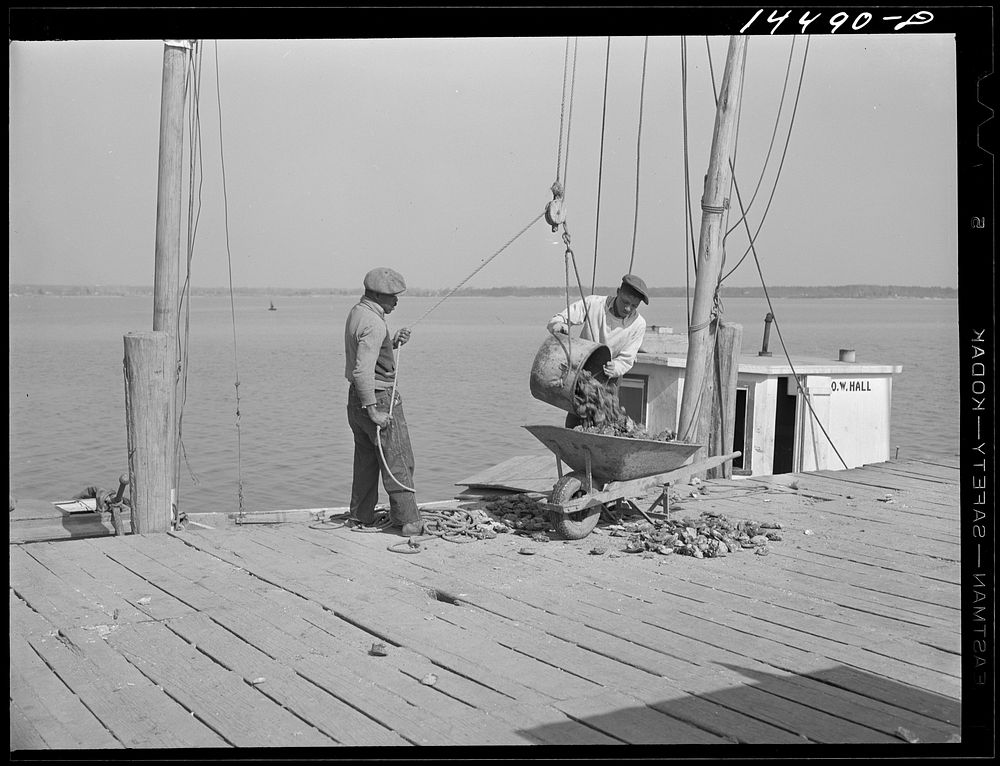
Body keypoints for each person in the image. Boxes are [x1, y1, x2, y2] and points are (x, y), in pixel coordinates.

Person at [344, 267, 422, 536]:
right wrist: (374, 412)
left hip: (356, 398)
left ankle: (360, 516)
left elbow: (369, 355)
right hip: (378, 398)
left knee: (366, 461)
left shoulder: (358, 312)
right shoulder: (375, 324)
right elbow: (362, 370)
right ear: (376, 295)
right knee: (398, 458)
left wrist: (393, 342)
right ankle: (408, 521)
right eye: (391, 297)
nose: (396, 301)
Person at [547, 273, 649, 427]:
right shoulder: (594, 304)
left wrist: (615, 367)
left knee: (606, 415)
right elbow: (559, 319)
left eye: (634, 306)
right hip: (583, 371)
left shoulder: (638, 324)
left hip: (610, 377)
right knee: (577, 412)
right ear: (618, 292)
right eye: (625, 302)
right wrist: (560, 326)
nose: (628, 308)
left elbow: (626, 359)